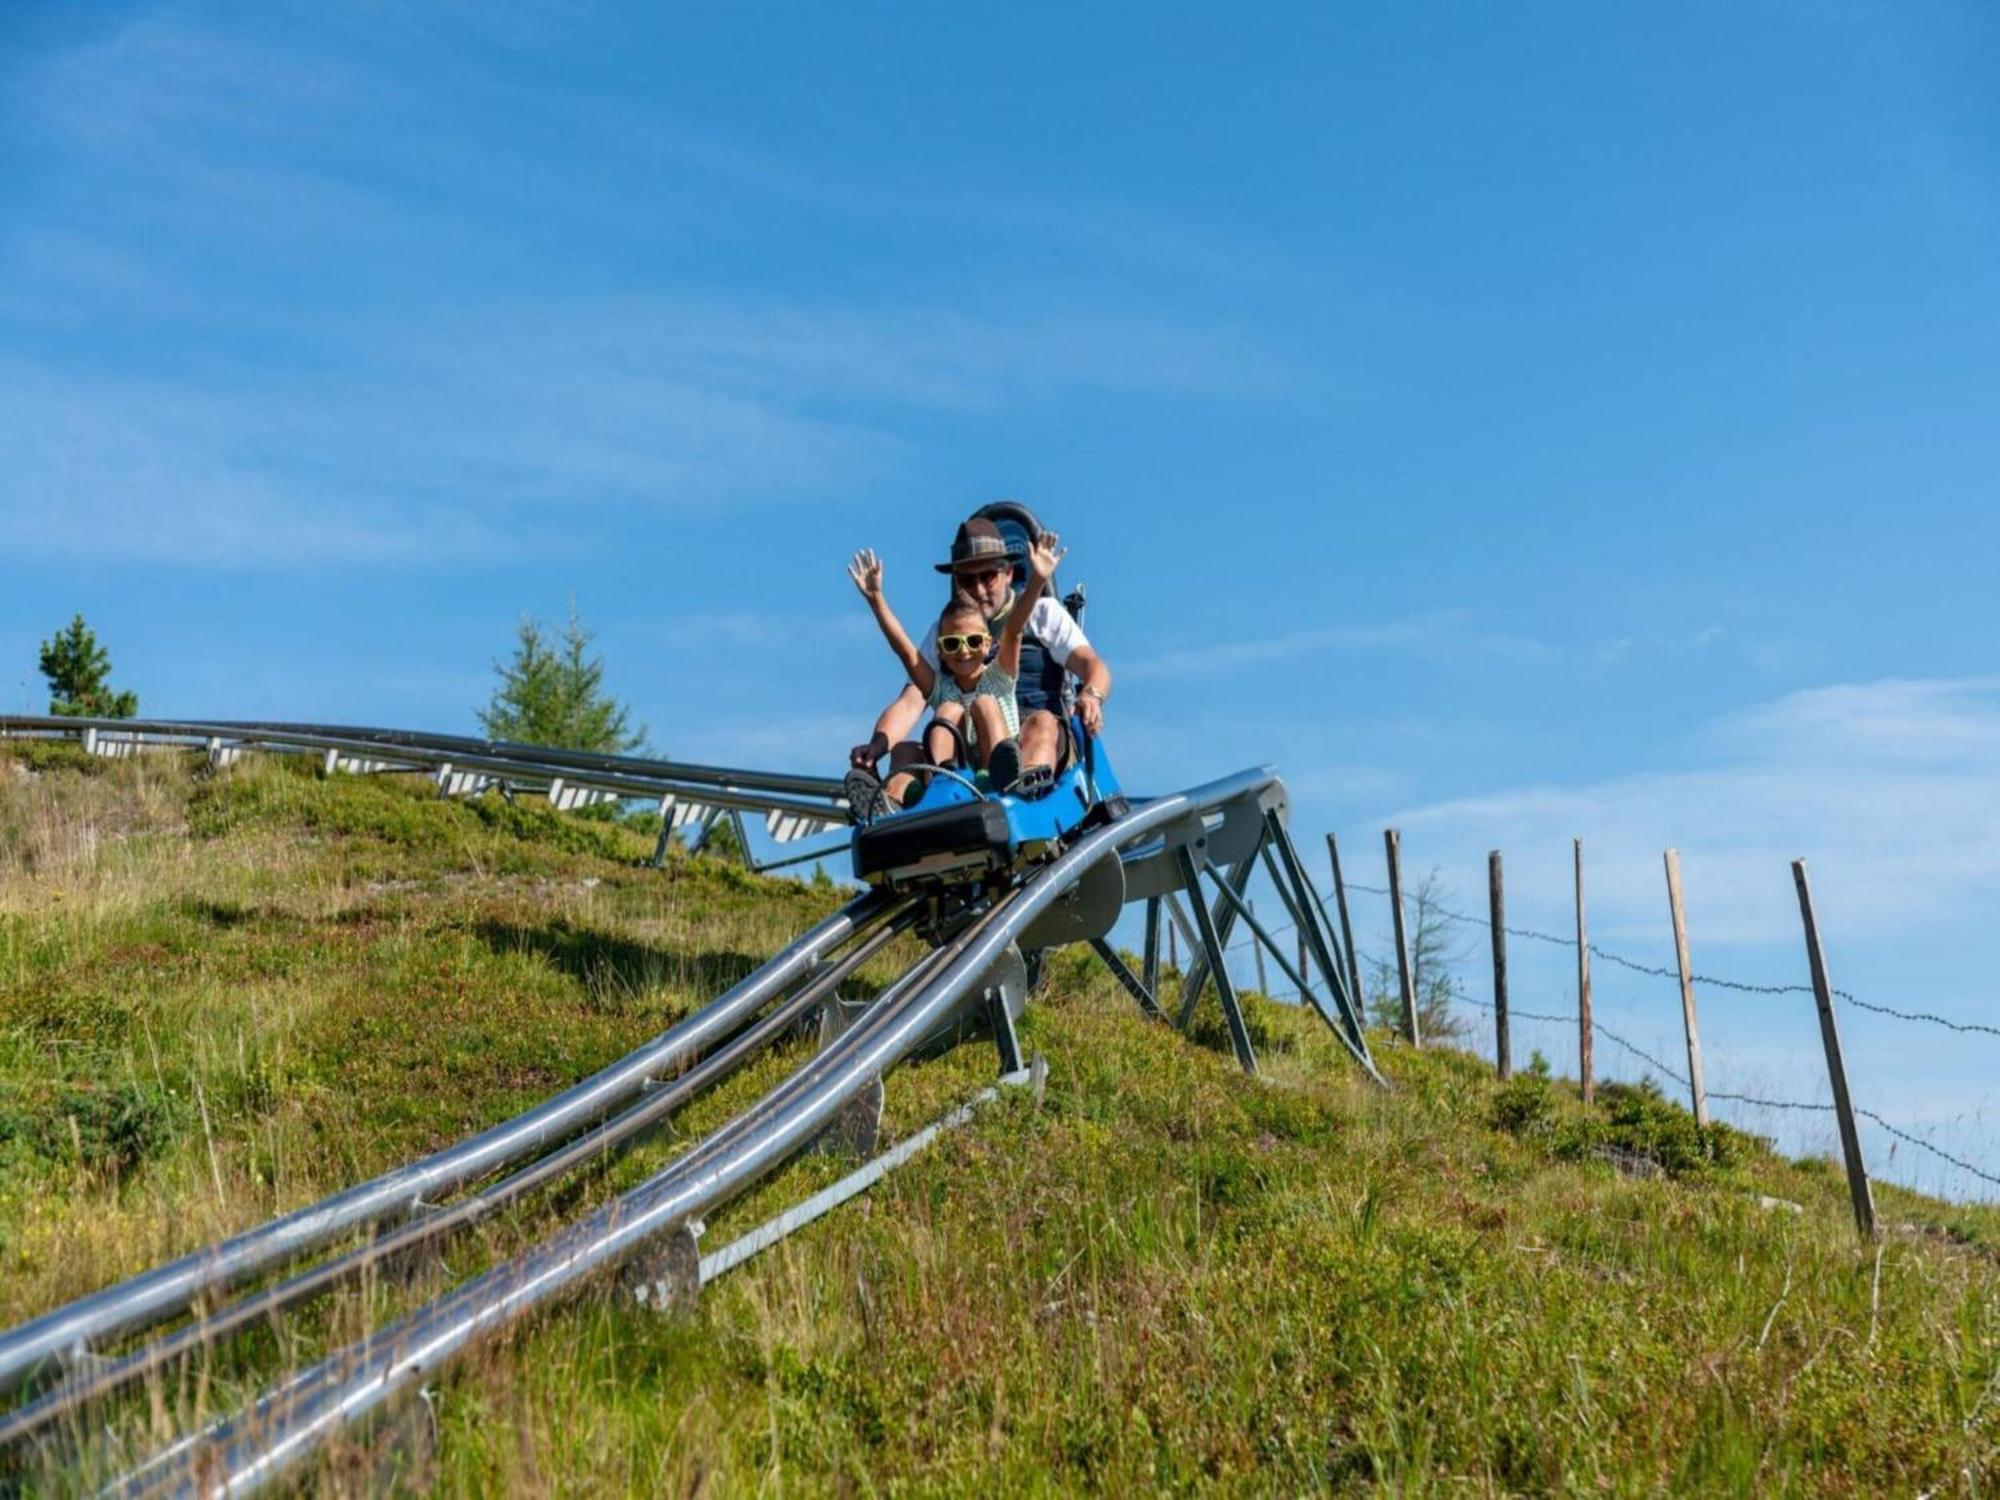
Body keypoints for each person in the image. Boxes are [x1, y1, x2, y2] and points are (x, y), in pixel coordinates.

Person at [846, 514, 1112, 805]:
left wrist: (1092, 695)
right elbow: (910, 699)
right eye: (967, 580)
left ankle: (1024, 800)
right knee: (915, 743)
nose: (979, 589)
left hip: (1035, 738)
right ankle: (895, 804)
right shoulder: (946, 632)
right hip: (963, 753)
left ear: (1008, 573)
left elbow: (1090, 664)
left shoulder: (1042, 614)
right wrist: (876, 747)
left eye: (988, 577)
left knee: (1038, 722)